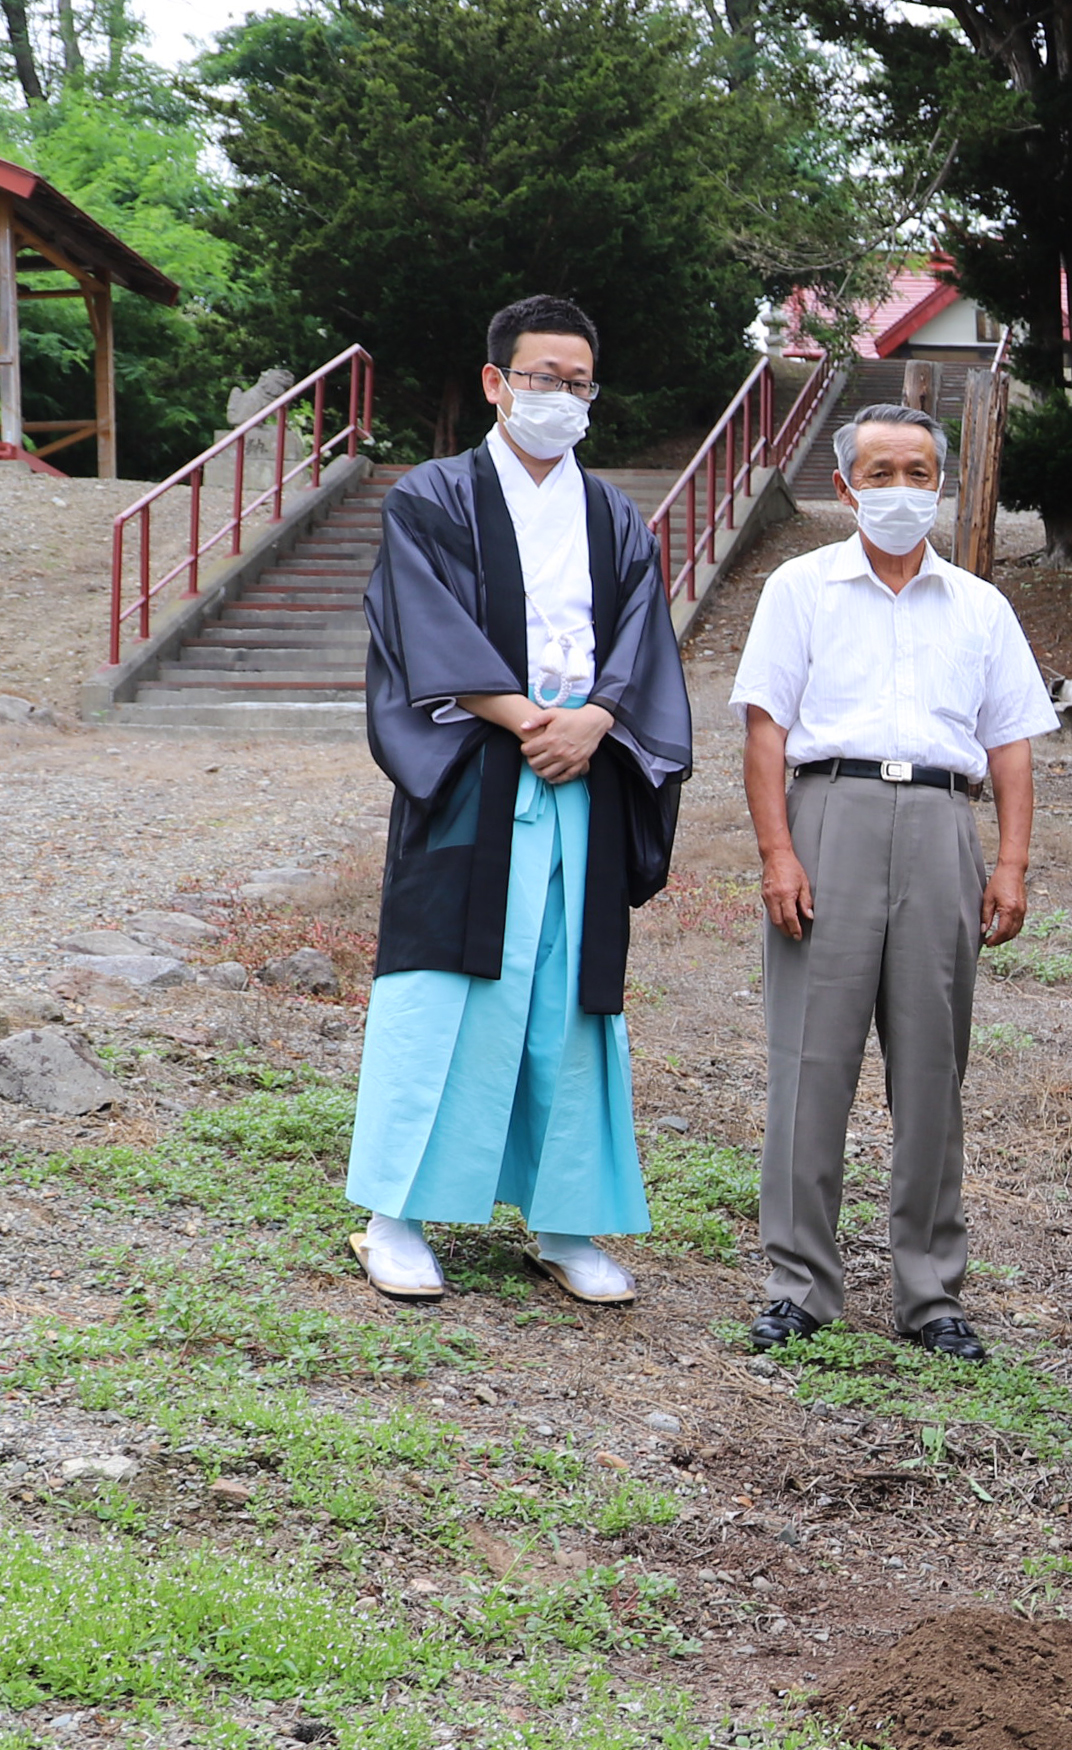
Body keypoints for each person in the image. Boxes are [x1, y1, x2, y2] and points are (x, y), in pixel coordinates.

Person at [344, 293, 691, 1305]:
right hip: (474, 764)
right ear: (498, 382)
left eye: (578, 383)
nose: (562, 398)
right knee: (441, 986)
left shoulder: (614, 515)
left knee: (568, 998)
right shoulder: (433, 497)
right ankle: (393, 1214)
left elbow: (640, 640)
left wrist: (599, 720)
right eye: (543, 377)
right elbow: (420, 626)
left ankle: (565, 1221)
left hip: (585, 767)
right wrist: (525, 716)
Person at [728, 403, 1055, 1362]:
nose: (901, 489)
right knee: (809, 1064)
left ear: (941, 484)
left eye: (919, 471)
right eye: (881, 472)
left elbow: (1012, 746)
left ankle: (930, 1293)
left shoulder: (980, 606)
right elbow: (765, 733)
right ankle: (800, 1286)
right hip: (832, 814)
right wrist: (780, 853)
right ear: (846, 487)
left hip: (944, 825)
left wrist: (1010, 861)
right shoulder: (801, 588)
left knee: (932, 1070)